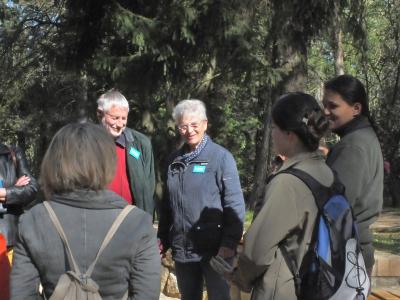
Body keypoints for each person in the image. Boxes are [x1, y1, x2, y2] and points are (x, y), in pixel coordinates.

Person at [10, 122, 160, 300]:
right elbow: (147, 295)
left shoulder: (33, 221)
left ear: (54, 161)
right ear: (107, 161)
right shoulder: (138, 223)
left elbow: (21, 295)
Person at [228, 92, 331, 299]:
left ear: (289, 134)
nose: (272, 134)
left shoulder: (287, 182)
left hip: (284, 288)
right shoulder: (327, 172)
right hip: (318, 282)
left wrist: (239, 278)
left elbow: (257, 252)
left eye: (274, 128)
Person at [158, 99, 245, 300]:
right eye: (183, 126)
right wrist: (162, 240)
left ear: (205, 124)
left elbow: (234, 204)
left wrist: (229, 243)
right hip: (183, 249)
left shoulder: (221, 158)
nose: (189, 130)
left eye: (194, 124)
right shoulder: (174, 161)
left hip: (216, 251)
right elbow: (167, 207)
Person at [323, 74, 383, 275]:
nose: (326, 111)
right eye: (325, 105)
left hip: (346, 256)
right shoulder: (360, 138)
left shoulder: (353, 145)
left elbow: (334, 206)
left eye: (333, 106)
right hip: (353, 253)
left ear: (356, 108)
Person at [97, 89, 155, 216]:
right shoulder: (87, 144)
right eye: (115, 118)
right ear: (100, 114)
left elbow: (149, 187)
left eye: (124, 118)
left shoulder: (141, 144)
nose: (120, 124)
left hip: (132, 220)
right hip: (99, 220)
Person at [0, 143, 38, 253]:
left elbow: (31, 188)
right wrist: (14, 188)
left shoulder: (13, 153)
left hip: (8, 242)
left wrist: (5, 192)